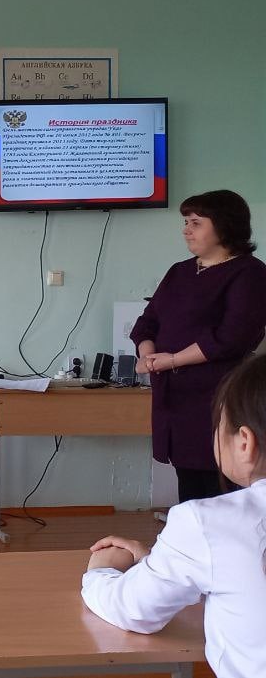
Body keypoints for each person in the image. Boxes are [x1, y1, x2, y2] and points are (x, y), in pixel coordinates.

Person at [81, 352, 266, 678]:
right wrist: (161, 564)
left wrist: (100, 572)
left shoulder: (208, 523)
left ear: (244, 442)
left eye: (218, 425)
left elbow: (133, 609)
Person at [130, 190, 266, 502]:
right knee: (190, 488)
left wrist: (172, 359)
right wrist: (147, 355)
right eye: (186, 223)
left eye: (195, 223)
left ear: (224, 226)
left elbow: (232, 337)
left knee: (222, 490)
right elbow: (148, 321)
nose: (186, 230)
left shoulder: (250, 273)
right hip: (175, 401)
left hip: (218, 398)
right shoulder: (179, 271)